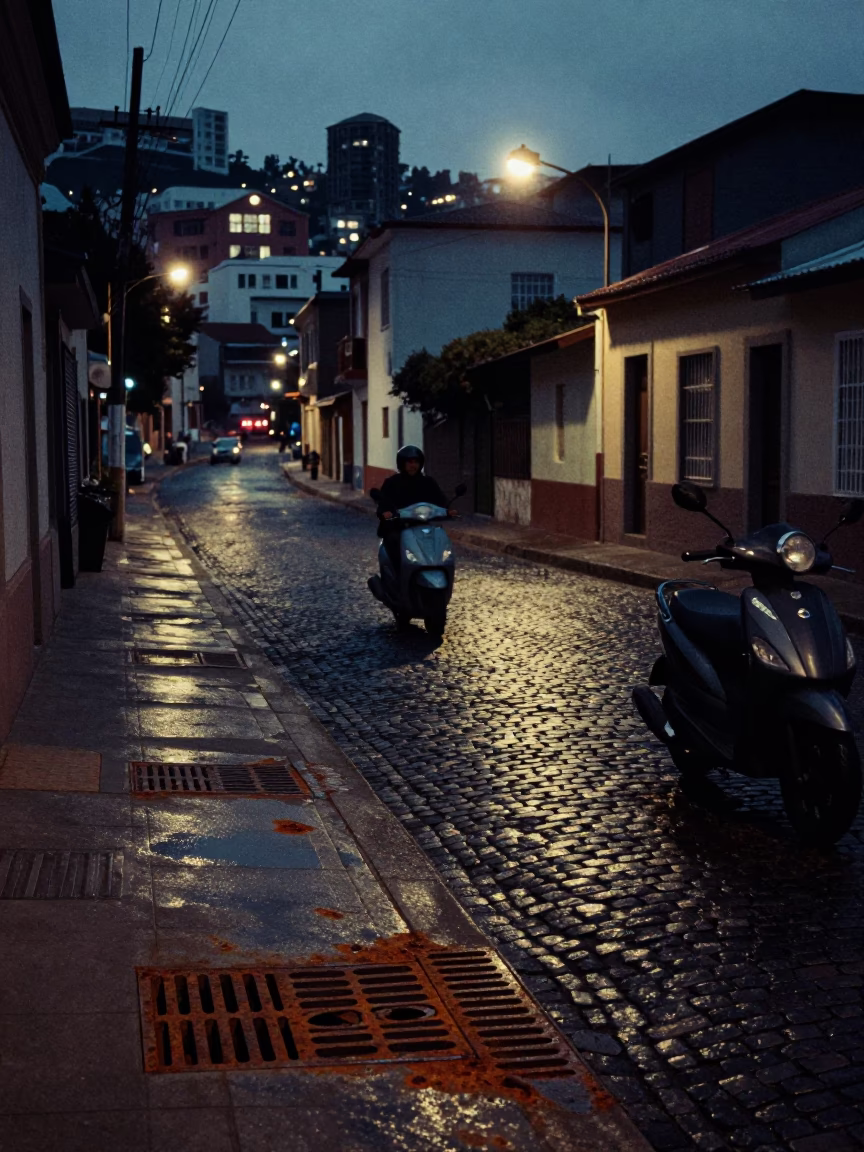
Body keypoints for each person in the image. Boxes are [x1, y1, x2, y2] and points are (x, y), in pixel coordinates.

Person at [376, 445, 457, 569]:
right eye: (409, 462)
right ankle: (399, 575)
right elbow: (383, 503)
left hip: (423, 525)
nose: (413, 465)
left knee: (440, 541)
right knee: (392, 540)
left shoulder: (428, 482)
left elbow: (440, 500)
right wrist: (386, 512)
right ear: (402, 463)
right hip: (399, 527)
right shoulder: (392, 483)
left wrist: (448, 511)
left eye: (416, 462)